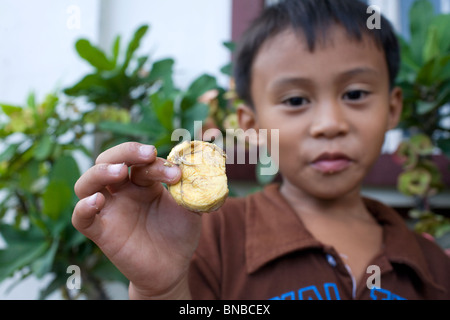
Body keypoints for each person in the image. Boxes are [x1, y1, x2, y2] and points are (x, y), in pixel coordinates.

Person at [72, 0, 450, 300]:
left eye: (355, 94)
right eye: (297, 99)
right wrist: (161, 291)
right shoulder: (208, 236)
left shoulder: (432, 266)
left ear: (393, 108)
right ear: (251, 126)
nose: (330, 123)